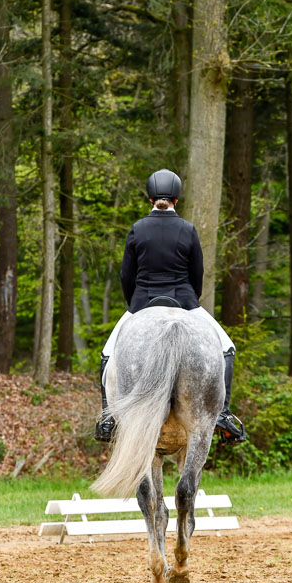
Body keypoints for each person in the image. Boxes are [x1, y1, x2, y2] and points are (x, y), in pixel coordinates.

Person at [95, 168, 246, 444]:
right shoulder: (188, 230)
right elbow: (196, 274)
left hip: (142, 301)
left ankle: (108, 418)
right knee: (227, 347)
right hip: (185, 300)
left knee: (107, 354)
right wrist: (191, 299)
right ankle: (223, 415)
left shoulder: (137, 229)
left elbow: (126, 276)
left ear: (150, 198)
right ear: (176, 199)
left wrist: (135, 306)